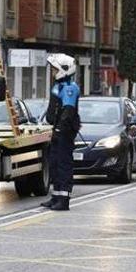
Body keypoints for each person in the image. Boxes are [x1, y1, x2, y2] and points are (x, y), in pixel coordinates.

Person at [41, 53, 81, 211]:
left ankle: (63, 200)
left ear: (64, 69)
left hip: (64, 132)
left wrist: (59, 129)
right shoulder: (59, 86)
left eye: (54, 69)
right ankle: (56, 196)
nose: (52, 72)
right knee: (54, 163)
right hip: (57, 130)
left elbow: (68, 111)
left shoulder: (70, 88)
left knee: (63, 164)